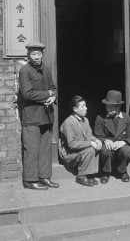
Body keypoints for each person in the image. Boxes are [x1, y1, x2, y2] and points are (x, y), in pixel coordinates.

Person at [18, 42, 59, 190]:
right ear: (28, 55)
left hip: (46, 116)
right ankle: (30, 179)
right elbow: (27, 94)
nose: (37, 57)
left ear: (42, 54)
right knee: (32, 149)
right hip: (31, 116)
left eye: (39, 54)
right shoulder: (25, 71)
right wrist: (47, 94)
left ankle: (44, 177)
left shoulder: (46, 69)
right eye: (33, 54)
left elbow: (53, 88)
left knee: (45, 149)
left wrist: (53, 96)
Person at [94, 90, 130, 184]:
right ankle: (105, 172)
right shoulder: (100, 118)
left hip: (121, 145)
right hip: (108, 146)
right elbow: (97, 134)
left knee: (127, 151)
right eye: (107, 106)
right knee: (105, 151)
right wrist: (105, 140)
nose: (108, 109)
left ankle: (122, 172)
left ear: (119, 106)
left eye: (112, 107)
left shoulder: (127, 118)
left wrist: (123, 142)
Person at [60, 96, 102, 187]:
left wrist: (96, 140)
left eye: (85, 106)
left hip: (80, 150)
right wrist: (91, 143)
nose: (86, 108)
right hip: (69, 153)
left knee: (95, 147)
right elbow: (72, 144)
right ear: (75, 109)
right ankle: (81, 175)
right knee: (90, 149)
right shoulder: (68, 123)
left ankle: (89, 174)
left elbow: (89, 136)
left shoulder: (85, 120)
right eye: (83, 106)